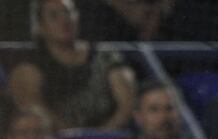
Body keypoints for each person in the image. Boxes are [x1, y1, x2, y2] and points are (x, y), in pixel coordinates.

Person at [8, 0, 136, 131]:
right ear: (40, 27)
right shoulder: (29, 65)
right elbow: (31, 107)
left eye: (68, 12)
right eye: (54, 15)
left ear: (78, 17)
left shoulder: (105, 57)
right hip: (51, 138)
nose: (64, 20)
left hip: (109, 137)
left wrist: (100, 136)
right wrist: (72, 136)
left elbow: (127, 104)